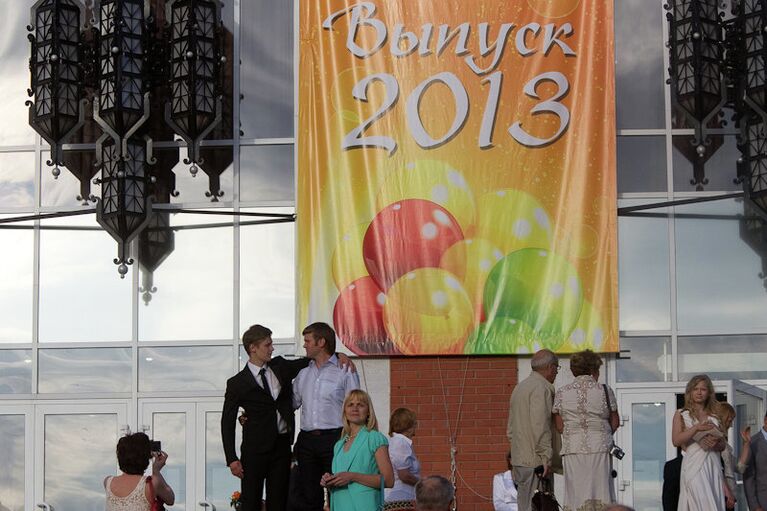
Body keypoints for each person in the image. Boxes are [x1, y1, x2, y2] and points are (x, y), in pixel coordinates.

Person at [221, 324, 311, 511]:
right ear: (252, 348)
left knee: (279, 501)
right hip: (254, 450)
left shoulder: (280, 366)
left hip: (281, 447)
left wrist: (338, 356)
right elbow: (227, 422)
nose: (272, 348)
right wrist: (231, 458)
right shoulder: (237, 383)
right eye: (267, 345)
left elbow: (306, 362)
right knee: (251, 501)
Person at [294, 322, 361, 511]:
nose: (305, 345)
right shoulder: (303, 373)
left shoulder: (345, 370)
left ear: (321, 342)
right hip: (306, 441)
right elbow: (290, 403)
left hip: (336, 438)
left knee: (339, 491)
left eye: (307, 341)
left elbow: (356, 406)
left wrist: (355, 441)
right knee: (308, 496)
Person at [552, 349, 619, 511]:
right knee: (601, 491)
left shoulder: (562, 392)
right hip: (599, 448)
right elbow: (615, 422)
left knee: (576, 493)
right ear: (594, 368)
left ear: (574, 369)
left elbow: (559, 425)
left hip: (573, 449)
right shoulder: (604, 390)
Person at [320, 389, 394, 510]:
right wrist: (329, 480)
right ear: (345, 411)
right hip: (339, 505)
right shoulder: (338, 445)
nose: (355, 408)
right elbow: (341, 478)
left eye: (360, 405)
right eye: (350, 405)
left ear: (368, 412)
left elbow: (389, 480)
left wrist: (352, 476)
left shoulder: (374, 437)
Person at [506, 349, 561, 511]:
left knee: (525, 505)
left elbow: (510, 429)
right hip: (536, 461)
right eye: (557, 368)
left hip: (520, 459)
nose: (556, 373)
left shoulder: (520, 388)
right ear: (550, 367)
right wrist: (546, 457)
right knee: (539, 505)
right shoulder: (541, 388)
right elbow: (540, 425)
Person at [672, 374, 731, 511]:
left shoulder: (715, 415)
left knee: (713, 501)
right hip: (693, 464)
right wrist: (696, 428)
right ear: (690, 392)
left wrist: (715, 444)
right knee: (699, 502)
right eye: (695, 389)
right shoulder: (681, 414)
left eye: (703, 389)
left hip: (712, 463)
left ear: (709, 392)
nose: (699, 392)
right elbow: (676, 440)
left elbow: (723, 444)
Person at [105, 432, 175, 511]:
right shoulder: (151, 483)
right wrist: (156, 471)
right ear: (145, 458)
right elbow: (170, 499)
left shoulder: (108, 482)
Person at [385, 407, 421, 509]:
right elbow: (404, 475)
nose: (416, 426)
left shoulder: (395, 441)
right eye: (415, 423)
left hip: (399, 498)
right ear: (408, 425)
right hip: (400, 499)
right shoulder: (400, 443)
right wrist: (423, 484)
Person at [743, 411, 767, 511]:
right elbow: (748, 477)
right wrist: (755, 506)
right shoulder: (752, 443)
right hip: (763, 503)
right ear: (766, 420)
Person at [717, 402, 737, 509]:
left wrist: (746, 444)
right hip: (722, 493)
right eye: (730, 420)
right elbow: (717, 469)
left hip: (728, 494)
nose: (731, 424)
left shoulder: (724, 441)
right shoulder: (715, 438)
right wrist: (728, 493)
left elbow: (739, 467)